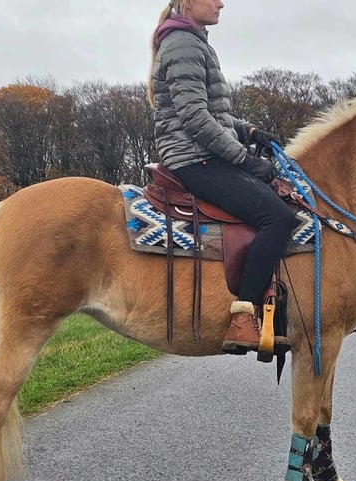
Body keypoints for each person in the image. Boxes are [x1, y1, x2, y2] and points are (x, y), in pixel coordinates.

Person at [148, 0, 298, 355]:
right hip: (194, 158)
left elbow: (215, 112)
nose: (221, 3)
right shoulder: (183, 43)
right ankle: (243, 318)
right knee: (277, 218)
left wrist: (248, 131)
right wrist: (246, 160)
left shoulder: (194, 40)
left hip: (201, 153)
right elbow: (196, 119)